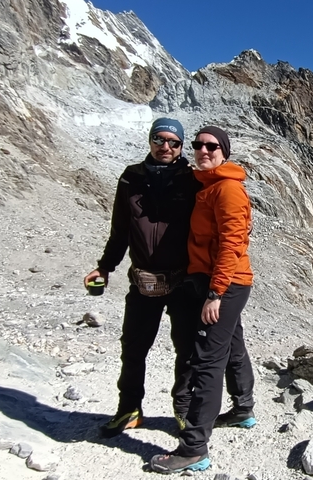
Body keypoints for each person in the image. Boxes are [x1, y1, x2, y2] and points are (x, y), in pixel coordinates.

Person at [83, 117, 202, 439]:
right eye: (159, 139)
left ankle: (183, 410)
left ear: (181, 146)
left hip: (183, 281)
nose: (166, 147)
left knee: (187, 350)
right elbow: (120, 229)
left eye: (174, 142)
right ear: (150, 140)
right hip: (142, 280)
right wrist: (105, 267)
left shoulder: (193, 180)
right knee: (133, 348)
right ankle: (129, 409)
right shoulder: (130, 178)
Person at [150, 126, 257, 474]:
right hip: (220, 282)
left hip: (225, 284)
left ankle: (193, 448)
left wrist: (216, 293)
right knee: (233, 343)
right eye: (198, 145)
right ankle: (243, 409)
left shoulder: (227, 190)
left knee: (208, 359)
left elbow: (232, 244)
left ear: (224, 152)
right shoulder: (208, 185)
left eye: (212, 146)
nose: (203, 150)